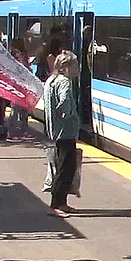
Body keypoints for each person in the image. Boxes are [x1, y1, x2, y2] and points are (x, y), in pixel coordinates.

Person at [44, 51, 81, 218]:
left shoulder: (52, 80)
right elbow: (65, 101)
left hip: (57, 130)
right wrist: (68, 113)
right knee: (66, 168)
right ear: (65, 67)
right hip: (66, 131)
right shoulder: (64, 82)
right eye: (75, 65)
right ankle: (56, 204)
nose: (78, 69)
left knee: (64, 166)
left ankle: (62, 202)